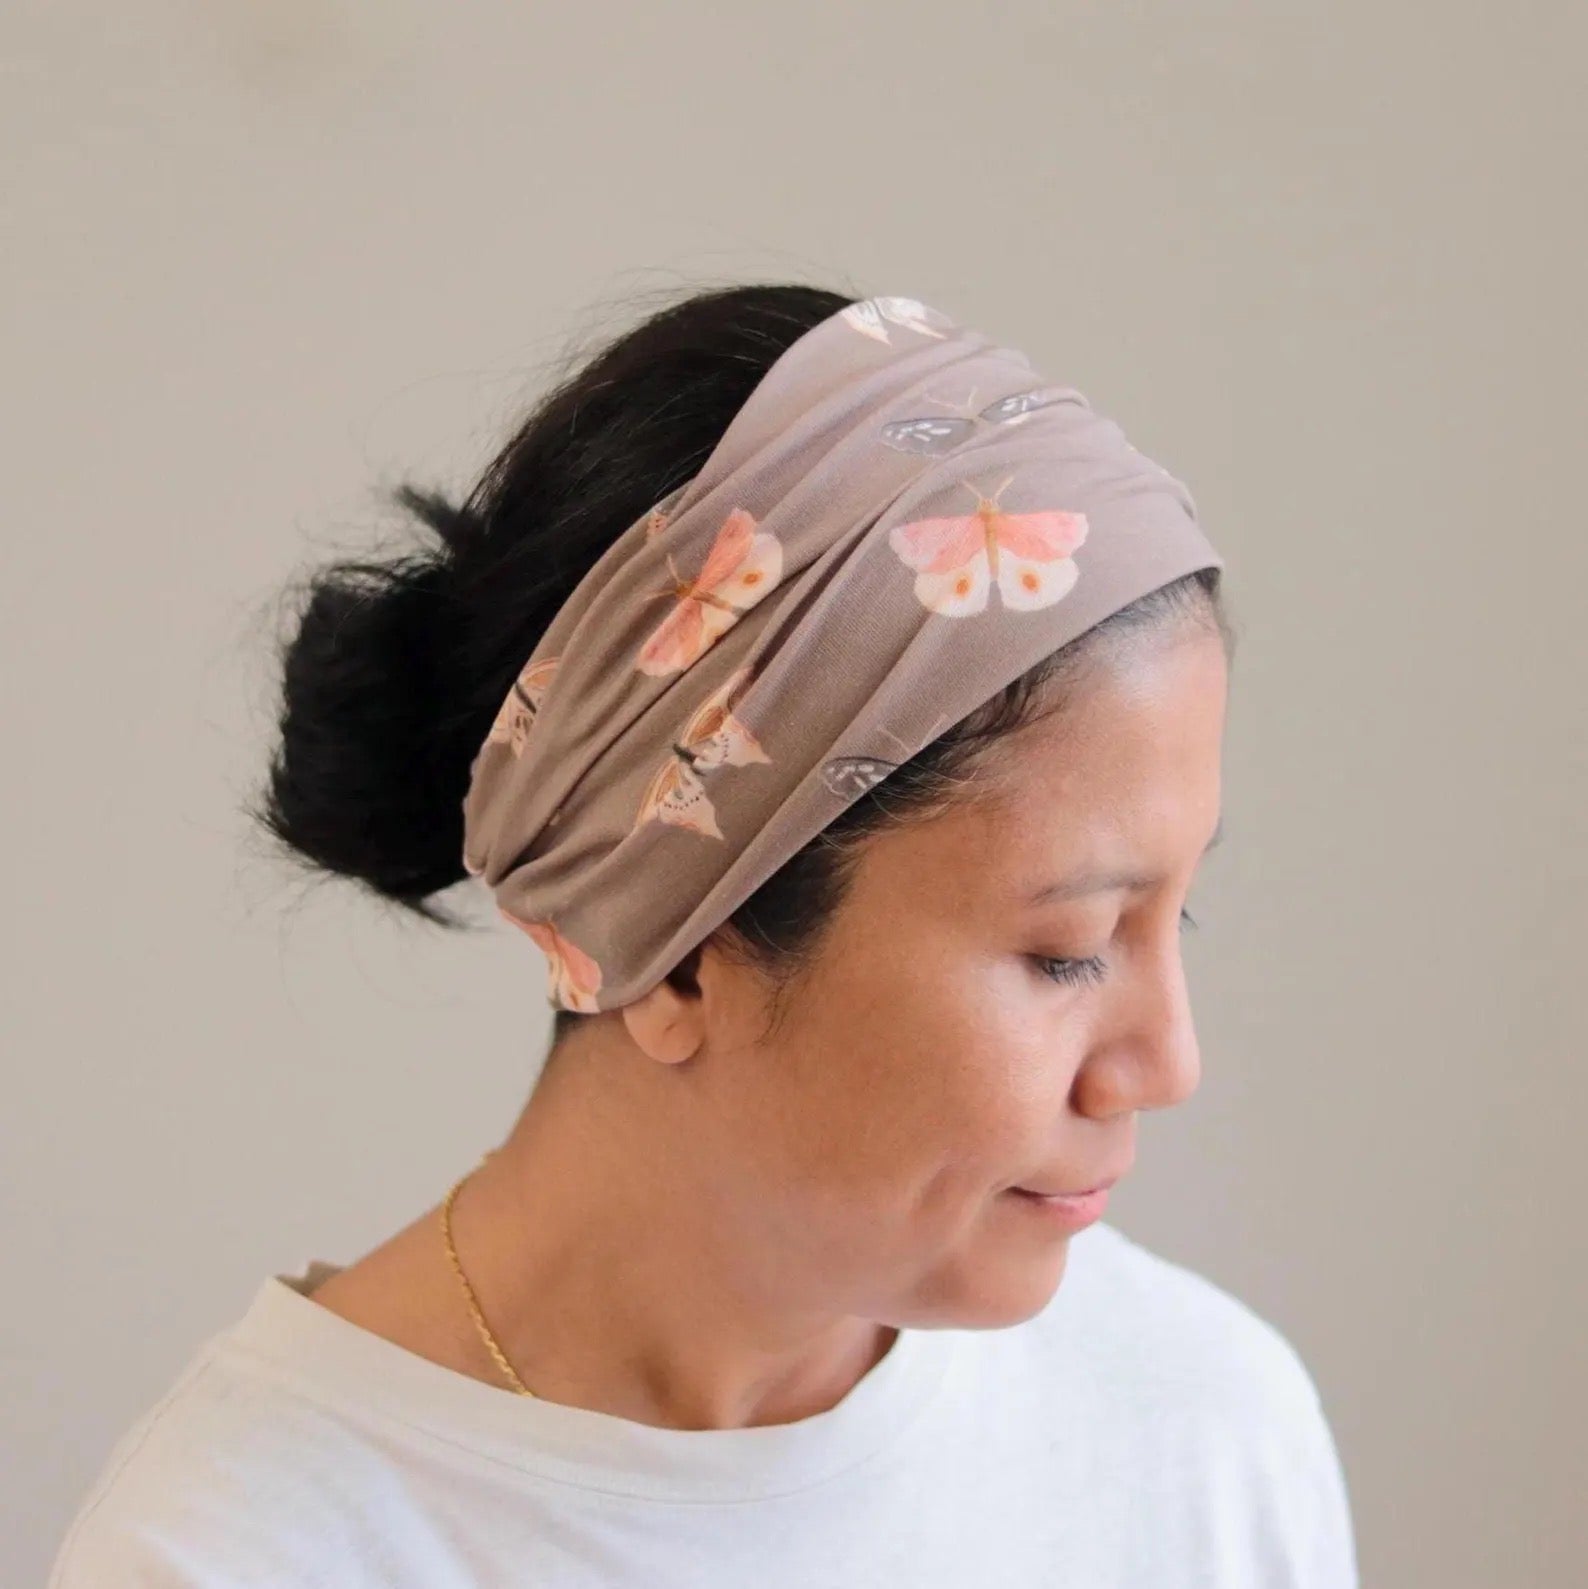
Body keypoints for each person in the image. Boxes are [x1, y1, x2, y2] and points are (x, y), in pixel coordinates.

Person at [48, 283, 1359, 1585]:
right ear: (681, 946)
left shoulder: (1201, 1430)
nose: (1167, 1061)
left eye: (1170, 911)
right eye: (1068, 946)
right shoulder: (244, 1554)